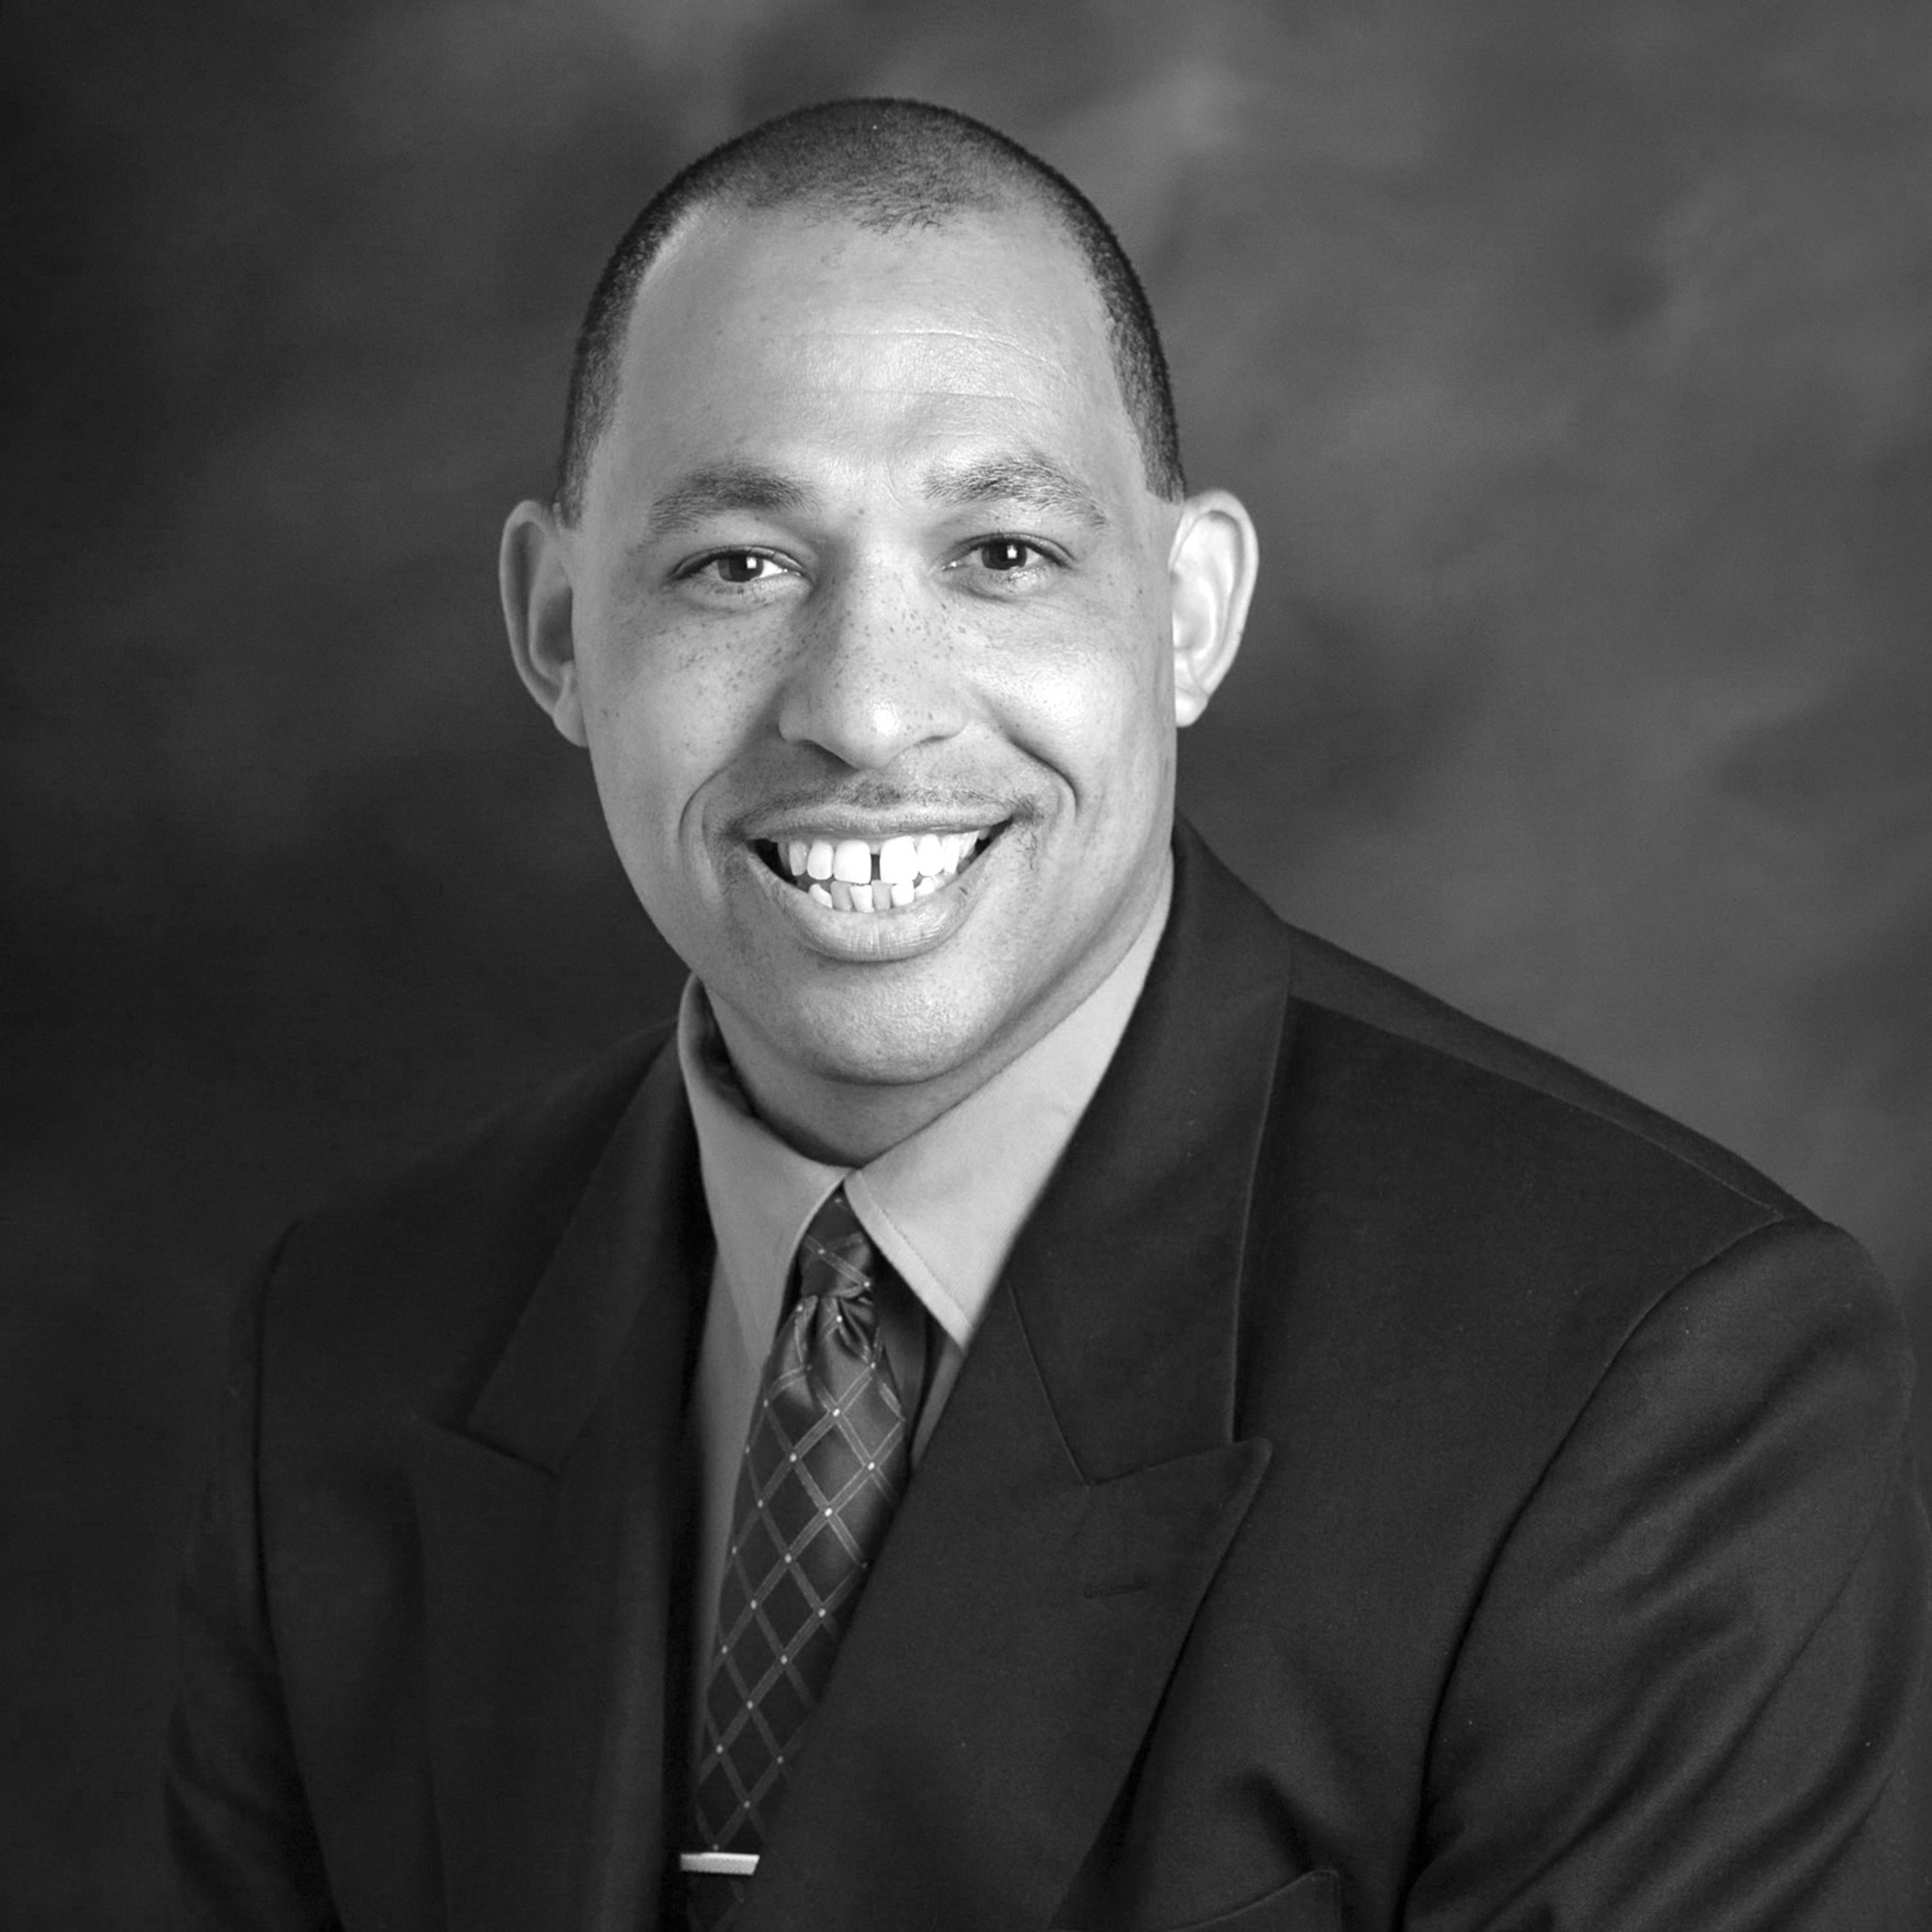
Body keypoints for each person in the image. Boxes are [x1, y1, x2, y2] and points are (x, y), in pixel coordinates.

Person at [166, 98, 1929, 1932]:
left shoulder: (1657, 1380)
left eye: (1002, 554)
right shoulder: (350, 1346)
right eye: (738, 565)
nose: (863, 711)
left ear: (1189, 614)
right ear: (553, 628)